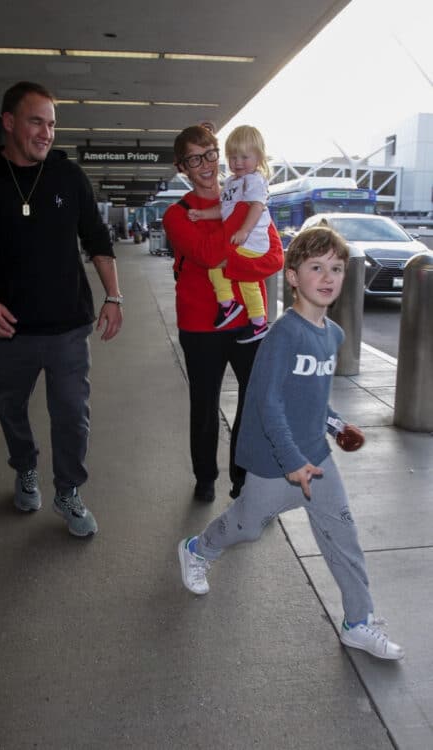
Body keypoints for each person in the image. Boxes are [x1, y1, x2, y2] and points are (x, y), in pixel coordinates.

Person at [178, 226, 404, 661]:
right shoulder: (283, 334)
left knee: (344, 534)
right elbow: (268, 402)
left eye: (336, 268)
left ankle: (358, 622)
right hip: (272, 462)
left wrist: (336, 427)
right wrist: (290, 461)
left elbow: (313, 399)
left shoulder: (332, 336)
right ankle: (196, 550)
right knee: (246, 526)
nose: (328, 276)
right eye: (316, 267)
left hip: (315, 460)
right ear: (293, 276)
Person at [0, 81, 123, 538]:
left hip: (68, 325)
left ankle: (68, 490)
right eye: (36, 122)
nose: (46, 132)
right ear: (9, 123)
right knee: (10, 408)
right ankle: (25, 465)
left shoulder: (68, 177)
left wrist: (114, 295)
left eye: (51, 124)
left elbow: (97, 240)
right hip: (5, 330)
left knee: (72, 412)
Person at [163, 125, 283, 503]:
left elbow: (275, 258)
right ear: (182, 166)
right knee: (204, 405)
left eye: (211, 154)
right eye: (195, 159)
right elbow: (211, 254)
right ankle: (205, 477)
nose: (207, 165)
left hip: (249, 322)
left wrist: (243, 219)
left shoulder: (249, 191)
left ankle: (243, 481)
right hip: (200, 325)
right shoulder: (177, 215)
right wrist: (243, 218)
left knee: (253, 404)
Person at [188, 125, 271, 344]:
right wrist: (203, 214)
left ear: (259, 157)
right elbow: (224, 210)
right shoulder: (232, 182)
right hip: (241, 241)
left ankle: (258, 322)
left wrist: (244, 230)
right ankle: (229, 305)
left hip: (252, 242)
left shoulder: (253, 180)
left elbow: (256, 206)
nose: (238, 162)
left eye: (245, 156)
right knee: (216, 266)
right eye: (233, 157)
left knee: (246, 282)